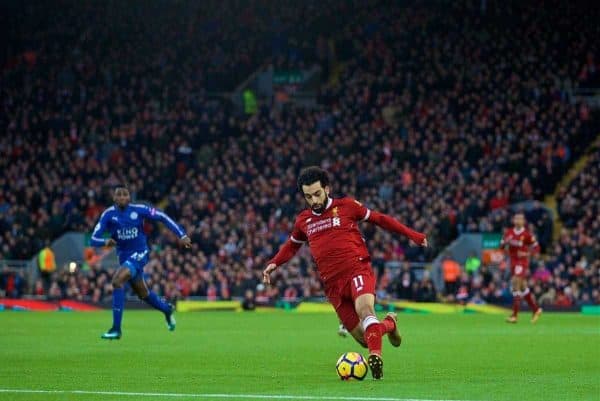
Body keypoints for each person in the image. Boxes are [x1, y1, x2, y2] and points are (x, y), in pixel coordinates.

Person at [263, 166, 427, 379]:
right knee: (364, 338)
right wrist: (274, 263)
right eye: (308, 196)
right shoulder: (303, 221)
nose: (314, 200)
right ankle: (390, 324)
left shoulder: (347, 206)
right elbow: (292, 246)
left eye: (317, 194)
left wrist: (412, 235)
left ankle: (376, 358)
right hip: (333, 286)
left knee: (366, 310)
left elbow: (380, 219)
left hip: (357, 269)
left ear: (327, 189)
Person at [90, 185, 191, 339]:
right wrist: (105, 242)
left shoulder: (139, 210)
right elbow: (93, 239)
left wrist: (181, 234)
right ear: (114, 198)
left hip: (140, 253)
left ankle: (116, 329)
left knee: (117, 281)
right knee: (143, 293)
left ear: (129, 197)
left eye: (125, 195)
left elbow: (162, 217)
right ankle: (166, 310)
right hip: (124, 257)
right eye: (119, 195)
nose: (122, 197)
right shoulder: (108, 214)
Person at [500, 212, 542, 324]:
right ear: (513, 220)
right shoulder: (509, 233)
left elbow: (537, 248)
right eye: (516, 218)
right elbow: (501, 246)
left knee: (515, 284)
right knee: (523, 288)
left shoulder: (527, 235)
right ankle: (536, 309)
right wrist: (505, 243)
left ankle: (514, 315)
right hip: (513, 262)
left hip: (521, 262)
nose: (518, 220)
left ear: (523, 221)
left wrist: (527, 254)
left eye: (520, 219)